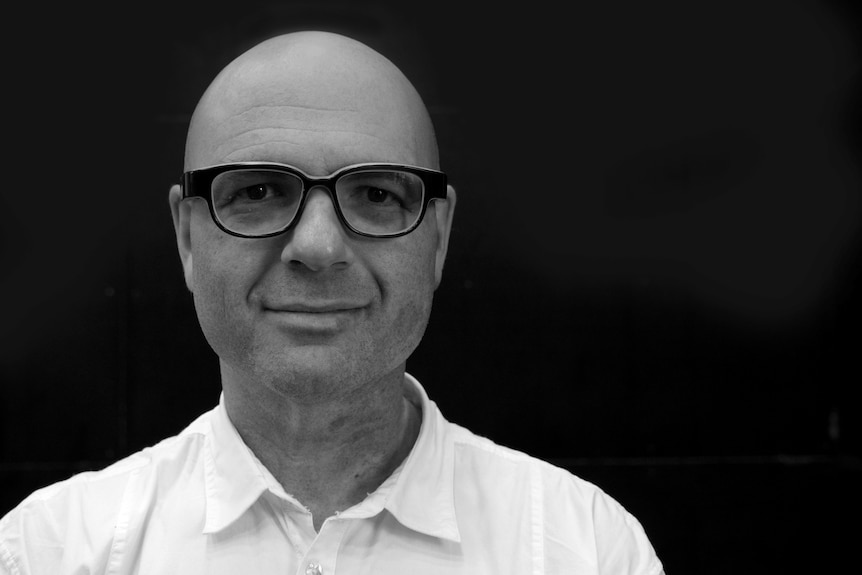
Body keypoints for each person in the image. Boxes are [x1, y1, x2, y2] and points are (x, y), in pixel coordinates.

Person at [0, 31, 664, 574]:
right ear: (187, 238)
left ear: (439, 238)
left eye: (377, 194)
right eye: (259, 191)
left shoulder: (586, 549)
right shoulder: (47, 551)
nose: (317, 246)